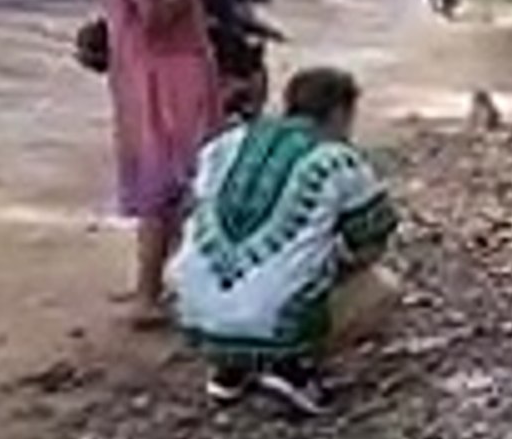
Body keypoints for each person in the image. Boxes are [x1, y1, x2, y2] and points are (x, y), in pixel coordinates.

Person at [169, 68, 399, 415]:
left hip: (196, 312)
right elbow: (373, 236)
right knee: (381, 287)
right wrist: (334, 263)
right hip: (274, 318)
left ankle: (229, 370)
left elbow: (193, 208)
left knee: (237, 274)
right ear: (340, 113)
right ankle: (290, 369)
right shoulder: (337, 159)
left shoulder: (226, 143)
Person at [103, 0, 225, 328]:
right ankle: (147, 294)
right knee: (165, 183)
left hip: (174, 66)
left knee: (174, 180)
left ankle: (150, 285)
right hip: (162, 71)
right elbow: (149, 12)